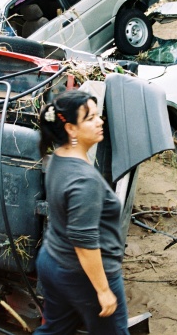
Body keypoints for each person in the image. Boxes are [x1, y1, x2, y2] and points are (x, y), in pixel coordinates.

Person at [34, 90, 130, 335]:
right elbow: (84, 242)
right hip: (82, 274)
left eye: (98, 115)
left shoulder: (59, 157)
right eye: (90, 118)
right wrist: (103, 290)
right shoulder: (83, 180)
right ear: (71, 130)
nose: (100, 122)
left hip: (53, 261)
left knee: (54, 330)